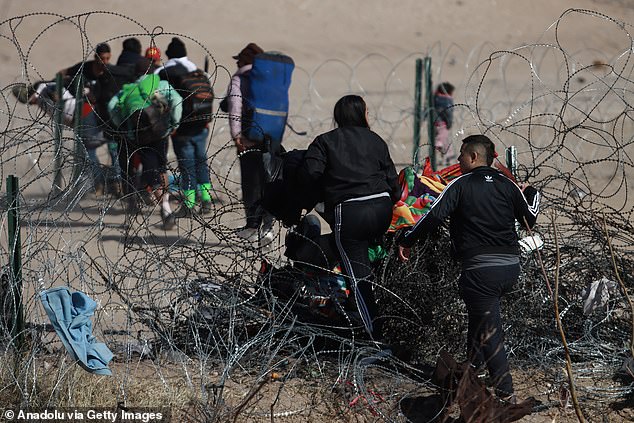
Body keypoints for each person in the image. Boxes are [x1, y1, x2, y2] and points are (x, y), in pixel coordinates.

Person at [396, 134, 541, 402]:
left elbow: (433, 215)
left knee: (490, 330)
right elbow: (530, 217)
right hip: (510, 267)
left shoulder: (460, 184)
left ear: (473, 157)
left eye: (462, 154)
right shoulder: (508, 186)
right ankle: (472, 371)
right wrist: (531, 191)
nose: (459, 159)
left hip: (480, 270)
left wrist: (406, 240)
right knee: (480, 319)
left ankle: (505, 392)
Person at [298, 94, 401, 341]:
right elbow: (394, 186)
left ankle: (374, 339)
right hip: (382, 210)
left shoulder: (324, 141)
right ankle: (371, 313)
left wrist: (323, 195)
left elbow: (309, 173)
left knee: (358, 278)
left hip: (351, 214)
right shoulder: (376, 141)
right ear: (362, 115)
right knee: (364, 262)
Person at [108, 58, 183, 230]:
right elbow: (177, 101)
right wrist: (174, 124)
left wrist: (124, 126)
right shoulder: (159, 84)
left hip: (139, 135)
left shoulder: (128, 89)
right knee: (162, 168)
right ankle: (166, 208)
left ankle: (165, 209)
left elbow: (112, 106)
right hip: (161, 133)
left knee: (151, 172)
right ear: (151, 72)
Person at [224, 42, 276, 243]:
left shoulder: (240, 77)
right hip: (270, 138)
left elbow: (235, 106)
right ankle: (268, 228)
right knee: (268, 183)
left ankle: (253, 226)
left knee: (251, 184)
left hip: (249, 139)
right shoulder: (270, 77)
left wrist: (237, 135)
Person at [155, 37, 214, 216]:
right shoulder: (195, 69)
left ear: (169, 54)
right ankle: (206, 199)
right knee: (201, 162)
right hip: (202, 123)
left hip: (182, 127)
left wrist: (170, 124)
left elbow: (162, 98)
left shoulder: (163, 72)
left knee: (187, 164)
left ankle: (188, 204)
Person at [59, 42, 113, 195]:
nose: (106, 62)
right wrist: (64, 89)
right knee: (89, 151)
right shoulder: (84, 68)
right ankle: (98, 183)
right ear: (96, 58)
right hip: (87, 114)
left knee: (114, 149)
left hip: (106, 115)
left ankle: (117, 184)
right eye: (103, 59)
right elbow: (62, 73)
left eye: (108, 58)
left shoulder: (111, 72)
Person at [433, 82, 456, 167]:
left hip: (435, 123)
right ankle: (441, 150)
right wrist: (449, 122)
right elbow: (448, 113)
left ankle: (448, 156)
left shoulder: (435, 98)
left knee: (445, 140)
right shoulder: (447, 100)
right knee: (441, 140)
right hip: (443, 124)